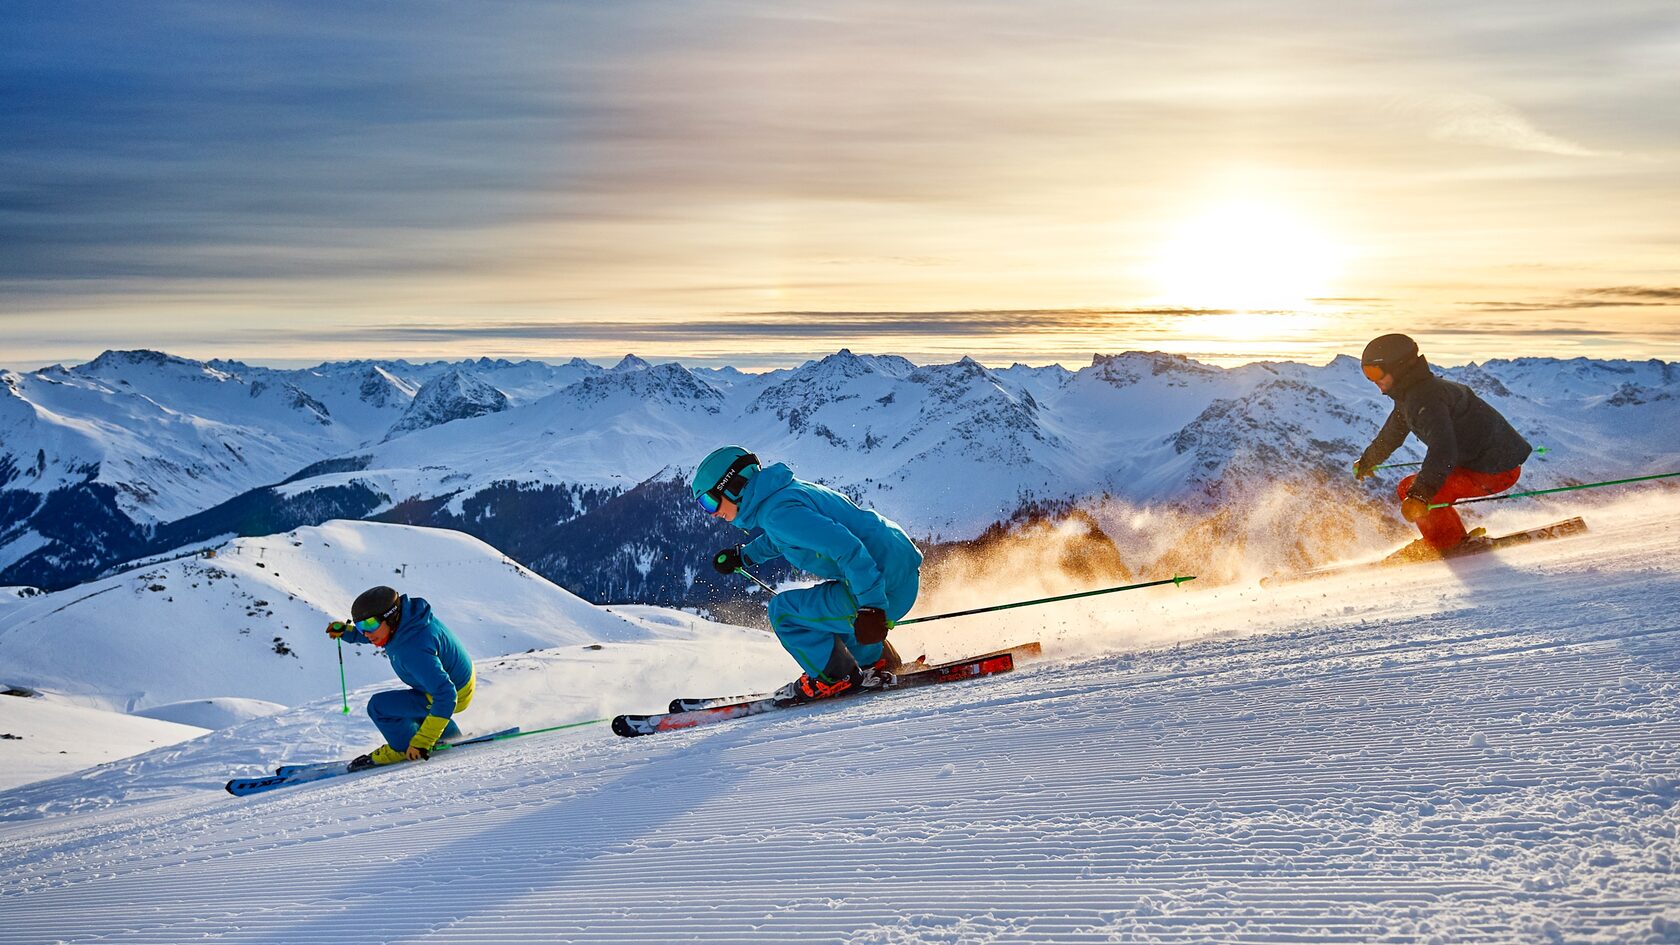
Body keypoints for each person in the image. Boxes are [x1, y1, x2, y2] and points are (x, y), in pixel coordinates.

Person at [692, 446, 922, 705]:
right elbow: (788, 536)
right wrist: (745, 556)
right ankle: (874, 661)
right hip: (896, 572)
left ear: (734, 485)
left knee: (783, 612)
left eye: (710, 502)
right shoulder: (781, 497)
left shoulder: (779, 514)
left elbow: (848, 548)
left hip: (884, 587)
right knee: (825, 613)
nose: (712, 513)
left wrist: (872, 608)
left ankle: (833, 677)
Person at [1352, 333, 1533, 558]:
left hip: (1496, 469)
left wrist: (1421, 496)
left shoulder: (1426, 398)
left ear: (1398, 368)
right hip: (1480, 462)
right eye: (1366, 373)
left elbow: (1443, 450)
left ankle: (1451, 545)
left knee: (1417, 491)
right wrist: (1369, 460)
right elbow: (1391, 435)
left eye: (1374, 372)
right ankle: (1447, 539)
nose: (1372, 380)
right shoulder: (1410, 396)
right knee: (1408, 488)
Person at [326, 585, 475, 770]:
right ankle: (447, 734)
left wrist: (423, 742)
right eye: (360, 626)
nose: (366, 633)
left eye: (370, 624)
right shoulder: (407, 621)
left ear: (391, 617)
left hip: (454, 691)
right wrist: (348, 632)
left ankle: (402, 748)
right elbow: (377, 633)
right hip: (453, 680)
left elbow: (445, 695)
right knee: (412, 701)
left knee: (379, 707)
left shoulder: (412, 648)